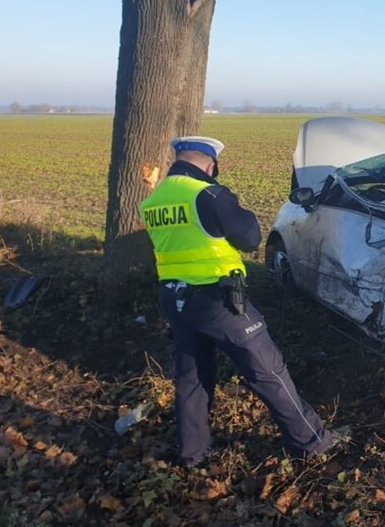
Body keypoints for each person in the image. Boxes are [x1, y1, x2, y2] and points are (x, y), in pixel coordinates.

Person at [139, 135, 338, 466]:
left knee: (192, 379)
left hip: (174, 300)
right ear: (209, 164)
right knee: (268, 370)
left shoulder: (154, 200)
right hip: (218, 301)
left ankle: (193, 456)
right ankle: (312, 442)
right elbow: (250, 238)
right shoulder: (207, 193)